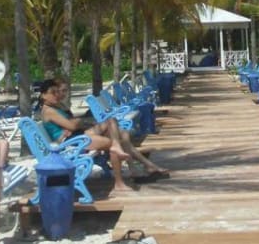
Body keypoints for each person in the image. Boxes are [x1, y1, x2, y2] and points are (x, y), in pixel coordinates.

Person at [38, 78, 169, 195]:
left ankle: (140, 166)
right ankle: (122, 181)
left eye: (57, 91)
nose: (56, 95)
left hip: (75, 137)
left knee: (115, 127)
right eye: (53, 92)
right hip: (71, 144)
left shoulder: (56, 108)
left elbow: (73, 124)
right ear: (44, 95)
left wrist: (75, 123)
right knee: (114, 140)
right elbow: (72, 125)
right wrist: (74, 124)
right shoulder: (49, 111)